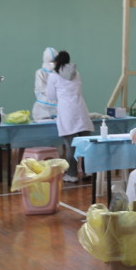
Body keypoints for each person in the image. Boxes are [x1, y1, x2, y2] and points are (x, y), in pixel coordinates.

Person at [46, 51, 93, 182]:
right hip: (81, 110)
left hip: (67, 113)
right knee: (85, 145)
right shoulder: (76, 73)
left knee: (70, 146)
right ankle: (88, 172)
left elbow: (51, 96)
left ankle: (72, 175)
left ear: (56, 61)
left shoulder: (53, 76)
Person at [31, 47, 58, 120]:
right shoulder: (40, 73)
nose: (53, 63)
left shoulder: (58, 73)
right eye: (51, 61)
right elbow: (42, 89)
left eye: (55, 61)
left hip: (58, 108)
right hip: (43, 109)